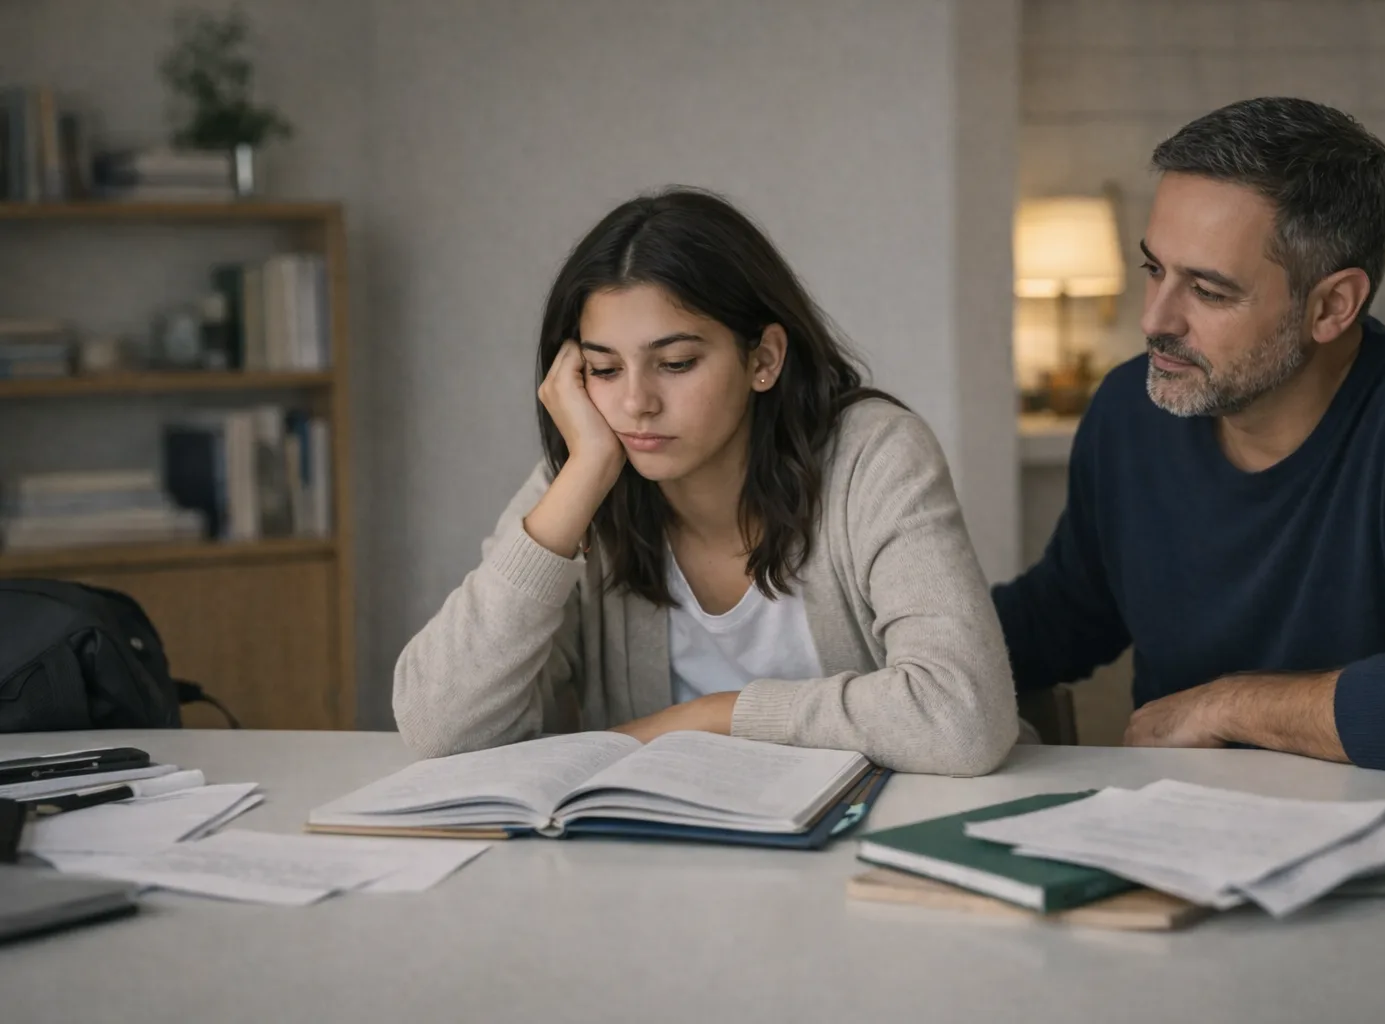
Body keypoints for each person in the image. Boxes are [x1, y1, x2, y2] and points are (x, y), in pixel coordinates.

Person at [993, 96, 1385, 777]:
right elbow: (1059, 619)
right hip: (1180, 844)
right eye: (1154, 269)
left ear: (1332, 306)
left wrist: (1224, 706)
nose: (1155, 320)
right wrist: (865, 641)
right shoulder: (1131, 412)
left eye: (1209, 292)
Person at [394, 187, 1022, 775]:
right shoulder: (584, 481)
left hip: (863, 858)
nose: (636, 403)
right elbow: (438, 727)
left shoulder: (873, 456)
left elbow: (965, 719)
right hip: (666, 867)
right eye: (604, 369)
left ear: (764, 359)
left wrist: (714, 716)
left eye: (676, 363)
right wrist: (580, 475)